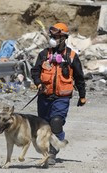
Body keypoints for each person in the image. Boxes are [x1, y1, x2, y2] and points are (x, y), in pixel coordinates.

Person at [31, 23, 86, 165]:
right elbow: (35, 71)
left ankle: (52, 151)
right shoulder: (44, 54)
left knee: (56, 123)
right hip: (44, 96)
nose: (54, 39)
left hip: (62, 98)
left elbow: (79, 77)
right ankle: (46, 150)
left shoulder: (72, 56)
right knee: (43, 126)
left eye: (57, 36)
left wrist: (82, 95)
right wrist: (38, 83)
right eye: (53, 36)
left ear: (64, 38)